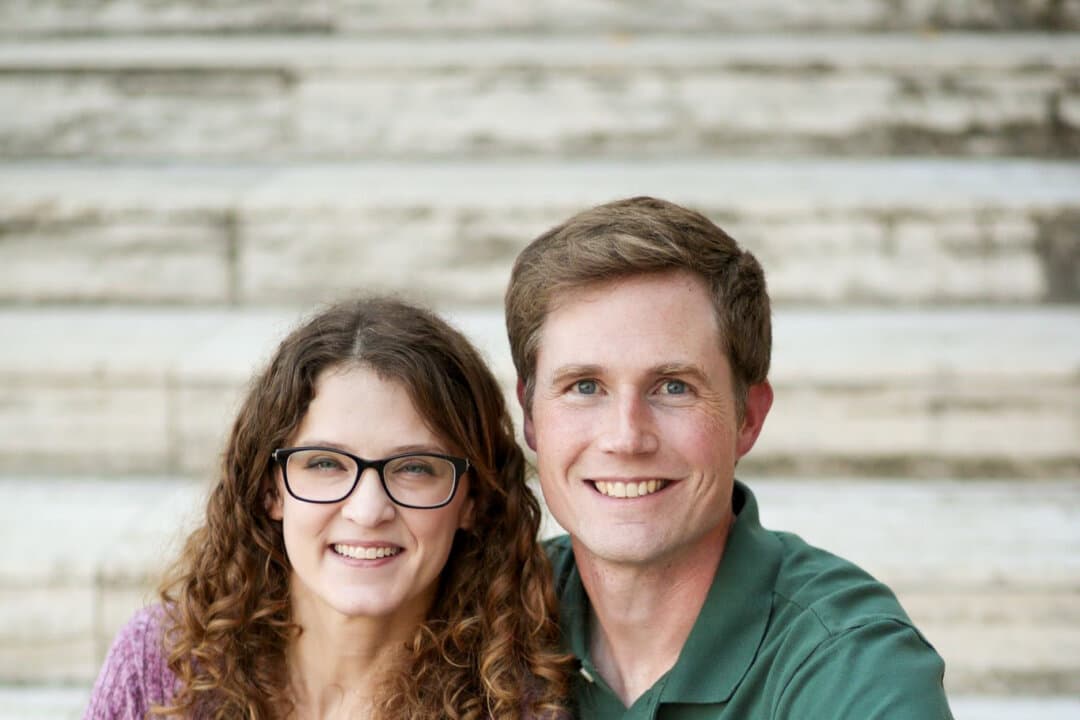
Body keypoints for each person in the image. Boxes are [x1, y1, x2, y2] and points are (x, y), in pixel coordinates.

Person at [505, 196, 954, 718]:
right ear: (531, 416)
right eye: (585, 386)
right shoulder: (486, 619)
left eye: (674, 387)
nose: (626, 438)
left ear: (748, 418)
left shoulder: (854, 663)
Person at [85, 298, 570, 719]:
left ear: (473, 500)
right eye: (324, 463)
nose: (367, 509)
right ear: (270, 488)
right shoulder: (160, 665)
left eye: (415, 468)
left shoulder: (515, 705)